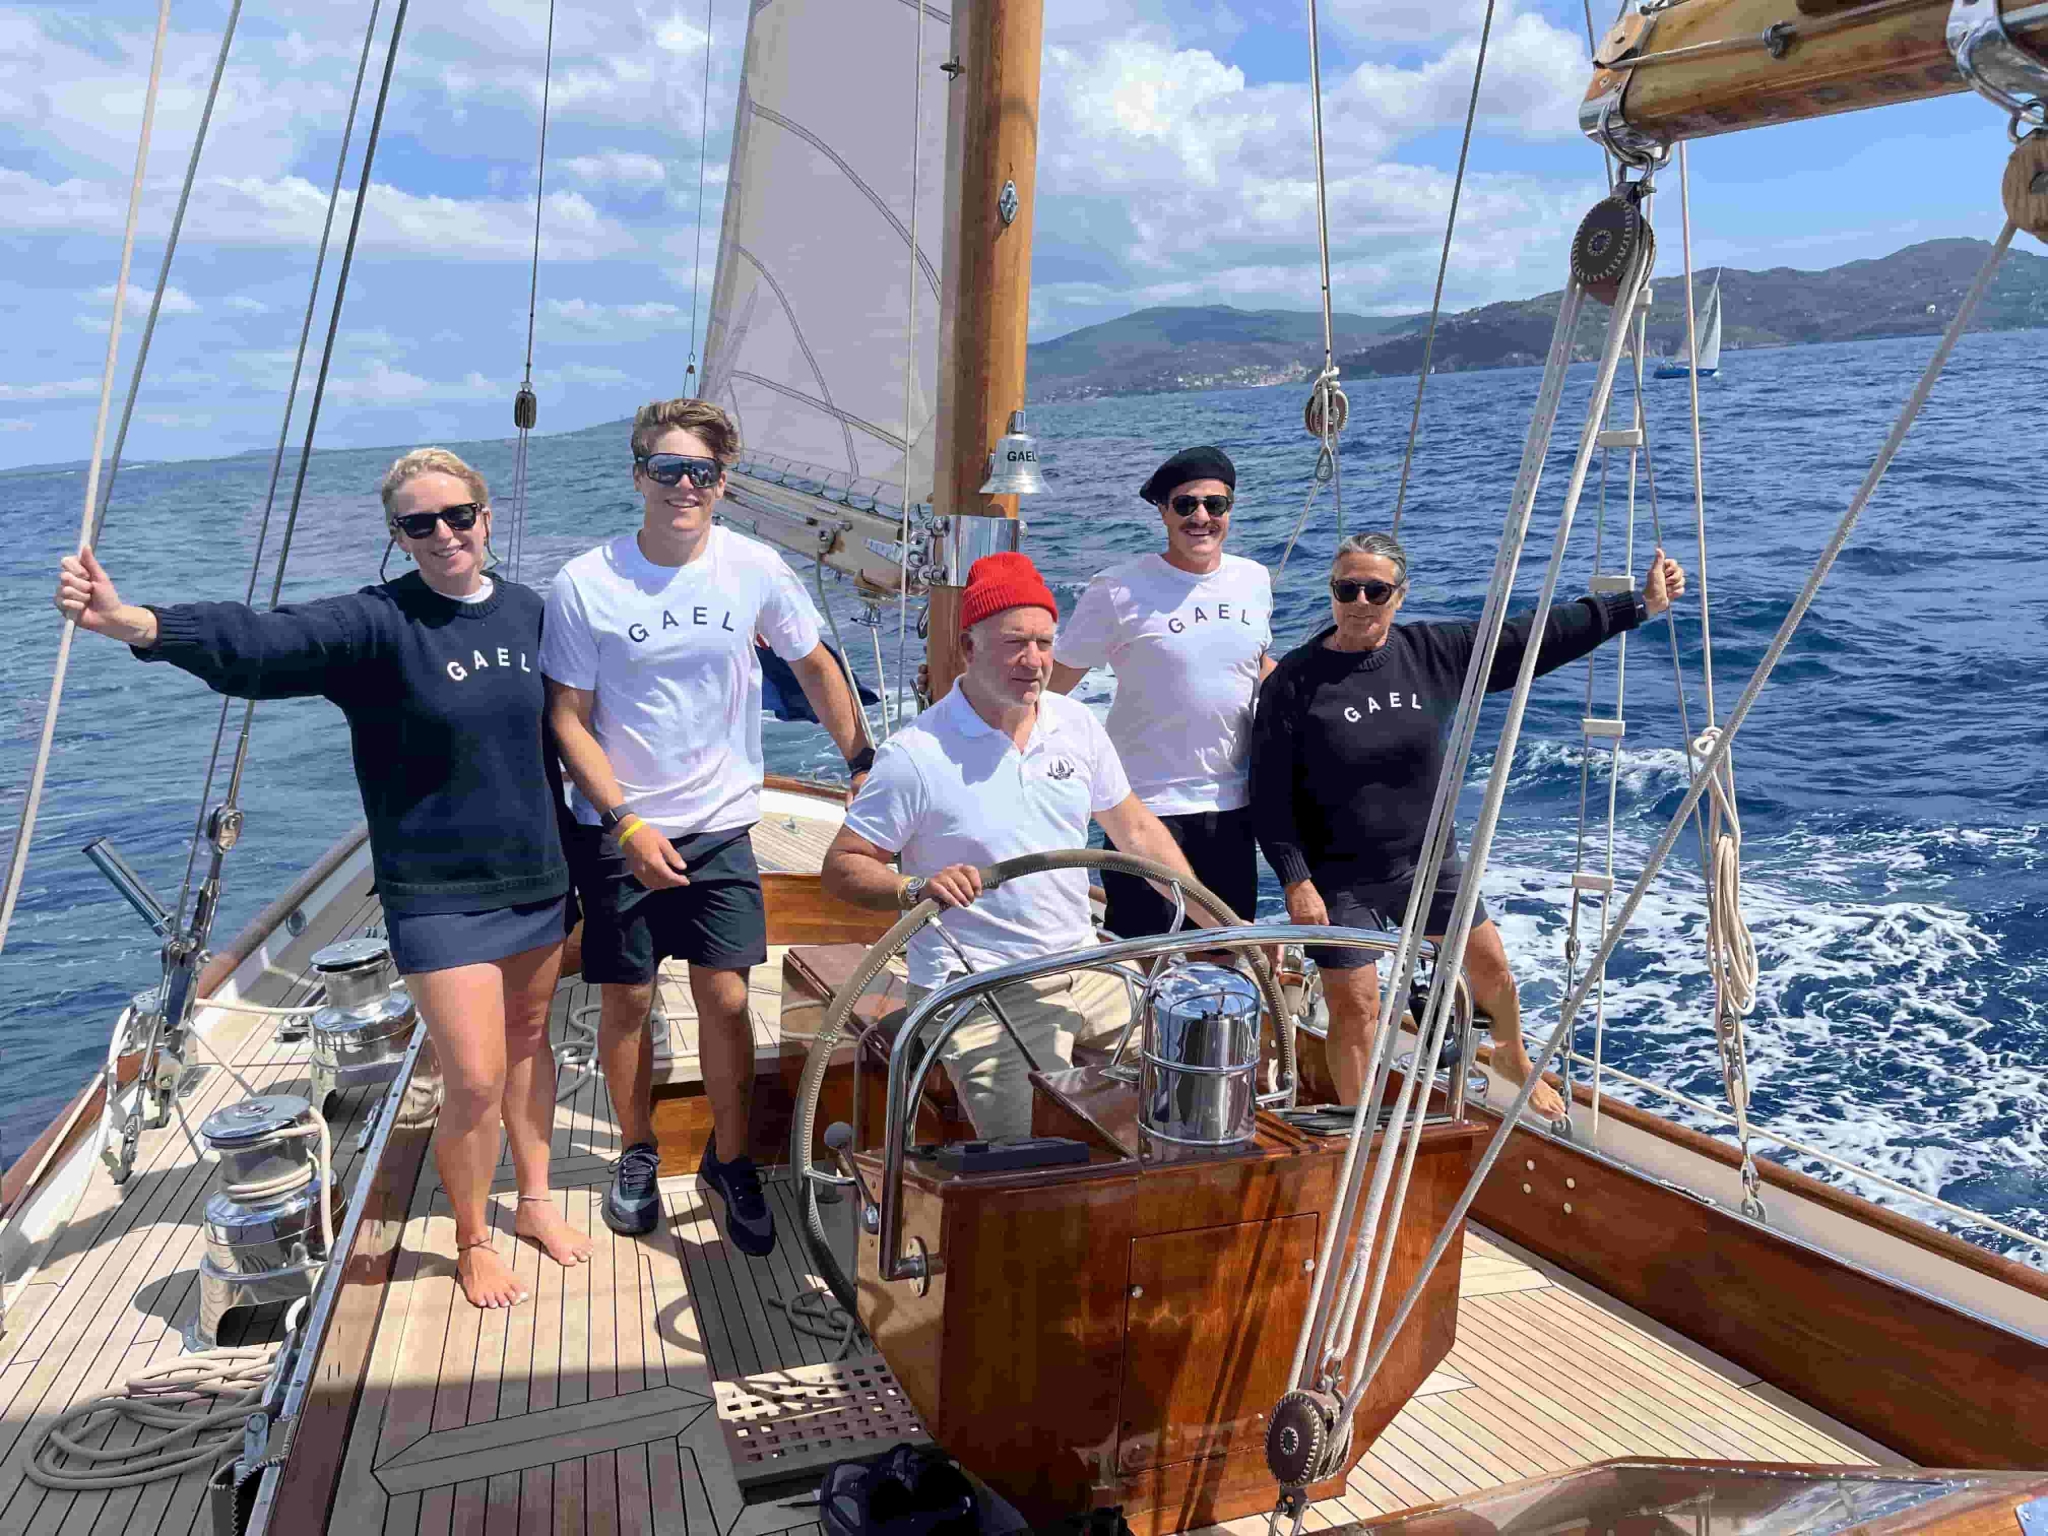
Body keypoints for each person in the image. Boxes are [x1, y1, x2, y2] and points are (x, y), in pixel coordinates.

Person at [54, 448, 588, 1311]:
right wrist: (137, 624)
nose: (444, 533)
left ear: (485, 518)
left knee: (530, 1044)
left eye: (459, 515)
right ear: (398, 535)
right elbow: (265, 643)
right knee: (475, 1077)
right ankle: (472, 1237)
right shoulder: (378, 625)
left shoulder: (531, 612)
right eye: (420, 522)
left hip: (535, 876)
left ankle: (533, 1200)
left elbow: (597, 709)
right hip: (437, 894)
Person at [541, 398, 869, 1255]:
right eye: (667, 468)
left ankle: (731, 1159)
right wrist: (625, 823)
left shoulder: (753, 567)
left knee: (725, 999)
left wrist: (863, 758)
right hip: (621, 828)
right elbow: (568, 716)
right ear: (638, 475)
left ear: (722, 484)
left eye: (702, 472)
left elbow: (814, 663)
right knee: (629, 998)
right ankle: (637, 1150)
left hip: (720, 824)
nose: (684, 485)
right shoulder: (586, 582)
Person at [1251, 529, 1686, 1118]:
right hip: (1338, 882)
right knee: (1356, 1008)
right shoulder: (1293, 683)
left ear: (1400, 595)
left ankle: (1510, 1056)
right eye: (1346, 589)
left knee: (1492, 973)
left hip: (1428, 863)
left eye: (1376, 590)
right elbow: (1268, 795)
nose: (1360, 602)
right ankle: (1362, 1129)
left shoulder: (1433, 652)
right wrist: (1296, 881)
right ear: (1331, 591)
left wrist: (1637, 605)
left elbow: (1535, 635)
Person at [820, 552, 1209, 1141]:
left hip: (1087, 964)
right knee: (1032, 1152)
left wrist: (1216, 927)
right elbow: (843, 865)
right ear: (969, 648)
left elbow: (1134, 829)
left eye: (1045, 643)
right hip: (978, 986)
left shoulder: (1076, 725)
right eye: (1014, 643)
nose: (1034, 661)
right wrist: (915, 887)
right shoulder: (916, 755)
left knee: (1195, 1081)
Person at [1049, 445, 1274, 937]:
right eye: (1185, 504)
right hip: (1145, 809)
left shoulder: (1254, 580)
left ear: (1230, 509)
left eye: (1215, 504)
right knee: (1141, 958)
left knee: (1226, 957)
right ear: (1163, 511)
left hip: (1232, 808)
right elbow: (1052, 686)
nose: (1201, 517)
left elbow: (1254, 664)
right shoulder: (1117, 589)